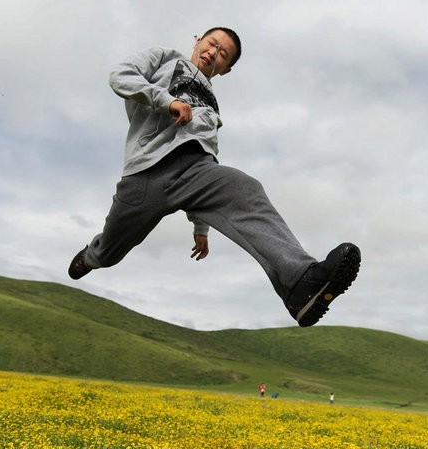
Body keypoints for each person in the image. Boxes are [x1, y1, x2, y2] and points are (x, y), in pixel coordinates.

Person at [68, 28, 361, 327]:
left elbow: (207, 150)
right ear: (198, 42)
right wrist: (165, 101)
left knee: (245, 188)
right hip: (146, 173)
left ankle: (301, 283)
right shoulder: (164, 58)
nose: (213, 53)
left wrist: (202, 226)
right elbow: (121, 75)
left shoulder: (211, 105)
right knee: (110, 251)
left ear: (226, 69)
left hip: (195, 172)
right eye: (212, 44)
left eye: (223, 54)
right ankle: (92, 256)